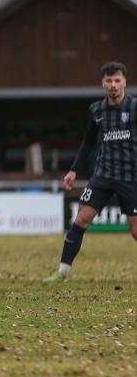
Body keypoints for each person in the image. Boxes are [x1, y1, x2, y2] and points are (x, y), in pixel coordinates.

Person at [45, 62, 137, 282]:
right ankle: (62, 272)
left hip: (131, 176)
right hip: (103, 175)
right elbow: (87, 142)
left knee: (135, 231)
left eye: (117, 80)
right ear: (102, 83)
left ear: (124, 81)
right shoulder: (96, 110)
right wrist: (73, 170)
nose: (113, 85)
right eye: (109, 81)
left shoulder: (134, 107)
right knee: (80, 221)